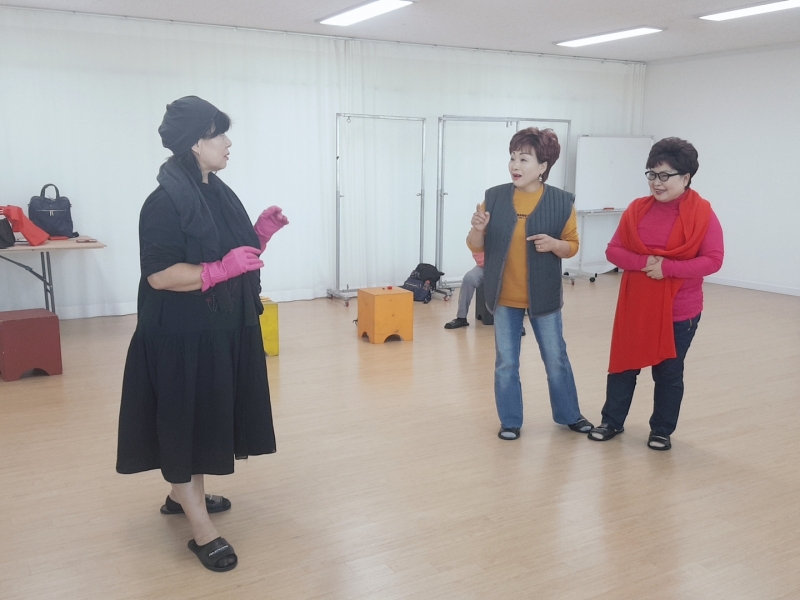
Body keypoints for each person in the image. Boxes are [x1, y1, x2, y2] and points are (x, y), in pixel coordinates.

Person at [116, 96, 288, 572]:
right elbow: (159, 275)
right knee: (185, 423)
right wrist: (217, 270)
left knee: (202, 419)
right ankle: (202, 531)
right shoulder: (164, 201)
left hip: (217, 328)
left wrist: (259, 235)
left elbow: (229, 252)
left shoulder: (217, 193)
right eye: (219, 134)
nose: (228, 143)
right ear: (195, 142)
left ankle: (181, 496)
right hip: (179, 337)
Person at [588, 137, 723, 451]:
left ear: (686, 178)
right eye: (651, 174)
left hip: (680, 311)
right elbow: (613, 251)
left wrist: (668, 268)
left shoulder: (702, 213)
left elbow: (713, 260)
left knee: (668, 373)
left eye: (665, 175)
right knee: (624, 366)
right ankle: (611, 421)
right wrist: (644, 262)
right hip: (636, 306)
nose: (656, 182)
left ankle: (661, 430)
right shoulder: (637, 209)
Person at [467, 127, 592, 440]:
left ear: (542, 166)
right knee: (506, 363)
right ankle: (510, 421)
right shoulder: (493, 197)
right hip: (503, 297)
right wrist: (478, 229)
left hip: (544, 296)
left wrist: (554, 244)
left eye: (524, 159)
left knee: (556, 359)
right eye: (512, 157)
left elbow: (572, 246)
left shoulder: (561, 202)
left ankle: (570, 415)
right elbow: (475, 245)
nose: (515, 165)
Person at [443, 251, 484, 329]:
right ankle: (461, 318)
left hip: (506, 268)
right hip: (485, 266)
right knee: (469, 278)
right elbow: (478, 253)